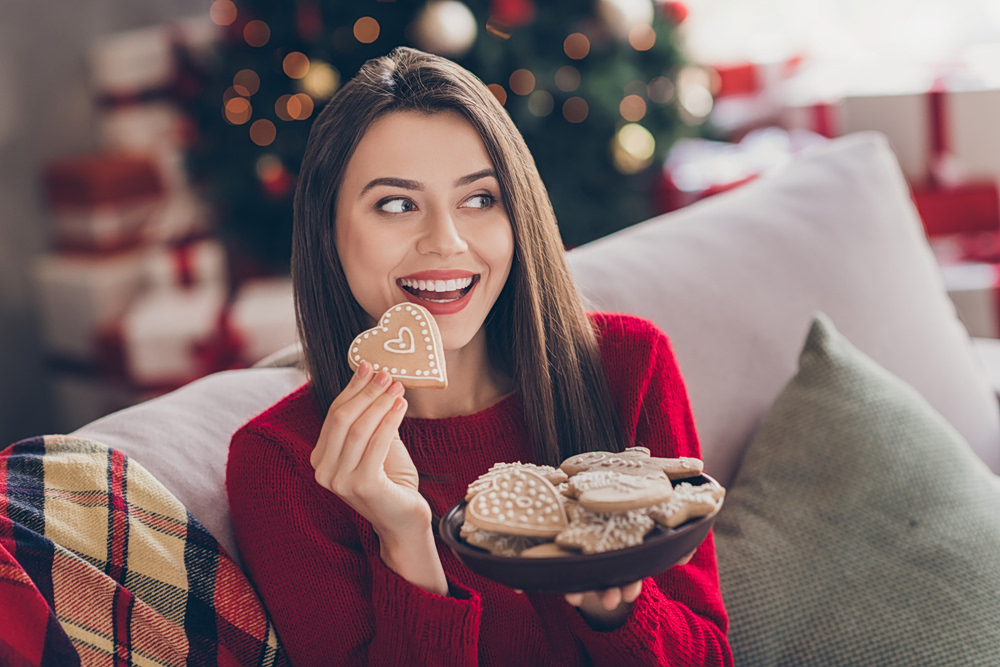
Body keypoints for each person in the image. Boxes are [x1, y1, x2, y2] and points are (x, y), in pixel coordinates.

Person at [226, 46, 732, 666]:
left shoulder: (629, 366)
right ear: (327, 230)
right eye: (396, 204)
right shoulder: (280, 464)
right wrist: (408, 540)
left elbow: (710, 655)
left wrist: (615, 606)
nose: (446, 240)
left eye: (479, 199)